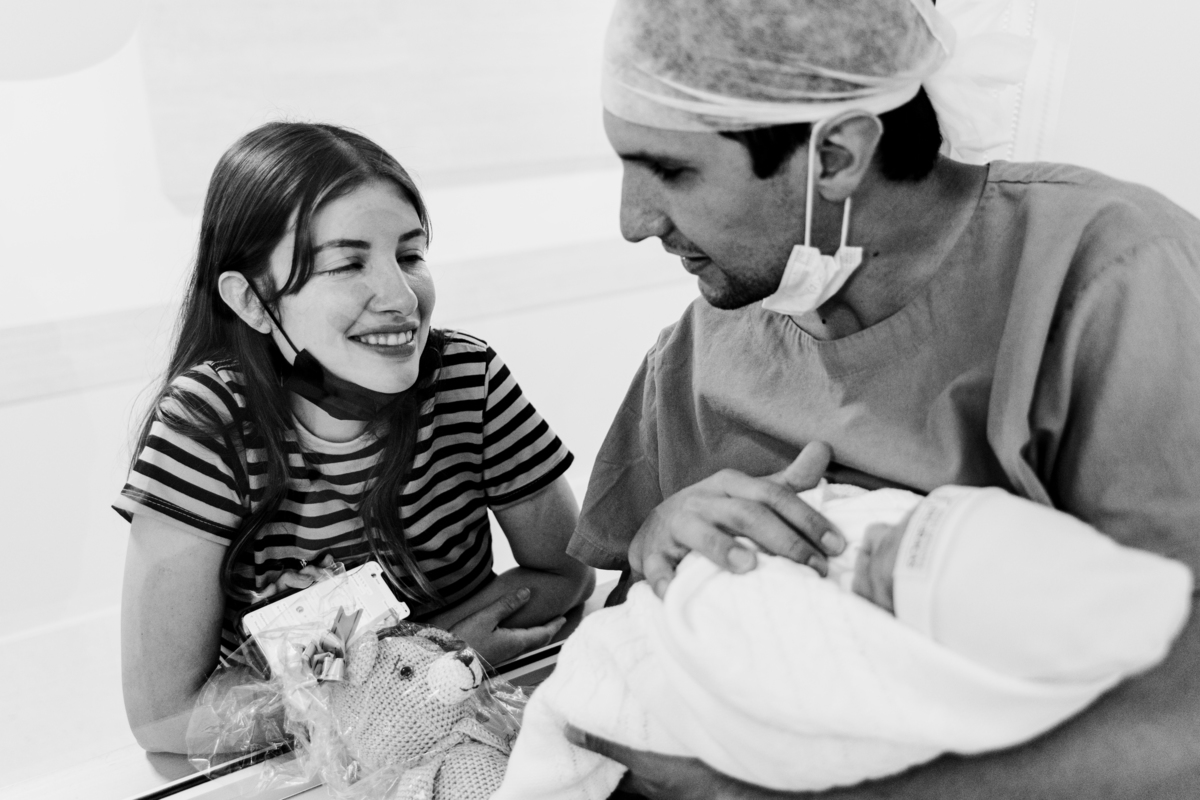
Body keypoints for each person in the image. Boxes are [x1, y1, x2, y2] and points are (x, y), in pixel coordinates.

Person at [567, 0, 1200, 797]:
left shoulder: (1115, 275)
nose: (632, 221)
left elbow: (1186, 709)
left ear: (836, 153)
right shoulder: (699, 352)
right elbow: (620, 661)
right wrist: (658, 547)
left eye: (674, 171)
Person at [115, 122, 594, 754]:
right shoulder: (206, 423)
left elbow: (566, 569)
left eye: (411, 255)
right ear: (253, 302)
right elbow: (164, 721)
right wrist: (427, 661)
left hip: (466, 712)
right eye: (347, 264)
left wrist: (424, 663)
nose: (401, 296)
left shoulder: (467, 378)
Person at [495, 483, 1192, 798]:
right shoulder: (688, 349)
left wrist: (706, 585)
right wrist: (664, 529)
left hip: (642, 702)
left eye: (675, 174)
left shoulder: (890, 656)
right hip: (606, 680)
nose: (872, 540)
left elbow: (764, 649)